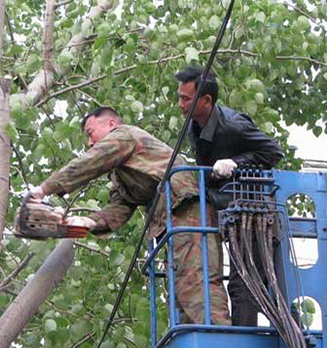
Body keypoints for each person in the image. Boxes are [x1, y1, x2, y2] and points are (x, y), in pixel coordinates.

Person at [29, 106, 230, 326]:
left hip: (187, 209)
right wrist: (88, 222)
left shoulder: (124, 135)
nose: (89, 142)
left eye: (90, 133)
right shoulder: (122, 173)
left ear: (111, 124)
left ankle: (219, 336)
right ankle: (195, 339)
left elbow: (88, 163)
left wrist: (43, 190)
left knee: (195, 281)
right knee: (179, 289)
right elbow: (120, 208)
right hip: (172, 219)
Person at [175, 65, 284, 326]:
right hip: (227, 210)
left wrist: (236, 163)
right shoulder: (194, 126)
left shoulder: (233, 125)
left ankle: (243, 344)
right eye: (179, 97)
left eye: (186, 99)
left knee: (243, 284)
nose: (180, 104)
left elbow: (273, 152)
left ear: (206, 100)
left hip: (252, 212)